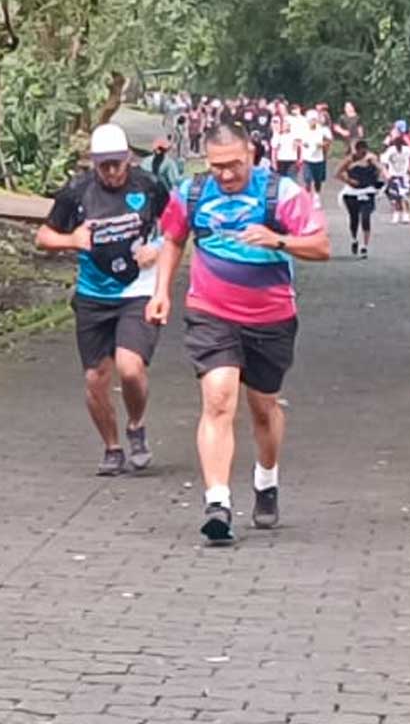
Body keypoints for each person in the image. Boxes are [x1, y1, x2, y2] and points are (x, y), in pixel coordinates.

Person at [148, 123, 330, 544]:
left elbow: (321, 246)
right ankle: (218, 503)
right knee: (218, 398)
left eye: (233, 165)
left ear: (251, 154)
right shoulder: (192, 194)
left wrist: (278, 241)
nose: (226, 175)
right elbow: (173, 239)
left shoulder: (280, 193)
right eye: (217, 167)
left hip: (271, 316)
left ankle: (266, 481)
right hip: (211, 311)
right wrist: (161, 293)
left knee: (263, 408)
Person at [37, 123, 170, 476]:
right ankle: (112, 447)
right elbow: (44, 236)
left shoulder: (149, 186)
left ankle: (136, 425)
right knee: (96, 378)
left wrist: (155, 248)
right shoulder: (76, 193)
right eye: (104, 165)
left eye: (117, 163)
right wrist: (71, 241)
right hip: (94, 294)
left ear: (128, 158)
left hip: (137, 290)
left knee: (130, 368)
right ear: (93, 163)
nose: (112, 172)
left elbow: (175, 226)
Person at [336, 140, 383, 257]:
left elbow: (380, 169)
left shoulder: (371, 159)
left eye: (364, 153)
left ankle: (365, 246)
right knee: (354, 218)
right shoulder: (349, 160)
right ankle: (354, 239)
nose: (363, 155)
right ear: (356, 151)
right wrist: (349, 180)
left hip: (367, 191)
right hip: (352, 192)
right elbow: (337, 173)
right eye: (360, 153)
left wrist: (375, 172)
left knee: (366, 217)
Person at [301, 107, 335, 204]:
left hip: (318, 158)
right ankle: (307, 196)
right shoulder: (304, 130)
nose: (312, 122)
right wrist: (305, 144)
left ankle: (316, 196)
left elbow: (329, 140)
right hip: (307, 158)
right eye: (310, 120)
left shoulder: (322, 130)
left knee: (317, 179)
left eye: (314, 120)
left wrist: (322, 145)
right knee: (307, 178)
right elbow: (300, 141)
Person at [381, 134, 410, 223]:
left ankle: (406, 215)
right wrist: (386, 174)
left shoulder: (407, 150)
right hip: (393, 176)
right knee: (395, 197)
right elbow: (383, 163)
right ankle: (396, 214)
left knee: (405, 197)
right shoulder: (390, 151)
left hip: (404, 176)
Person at [271, 101, 303, 178]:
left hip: (292, 160)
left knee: (291, 180)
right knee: (281, 180)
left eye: (288, 124)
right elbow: (274, 150)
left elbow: (300, 146)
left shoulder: (294, 135)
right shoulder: (278, 135)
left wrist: (301, 158)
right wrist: (273, 162)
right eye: (284, 123)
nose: (286, 125)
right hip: (281, 160)